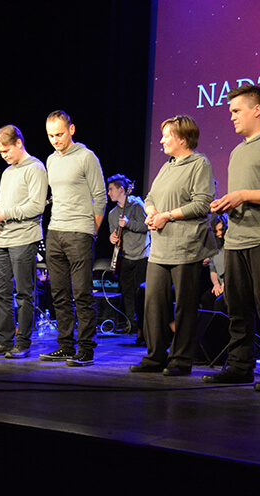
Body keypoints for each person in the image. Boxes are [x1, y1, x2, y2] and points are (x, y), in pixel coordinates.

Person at [202, 84, 260, 390]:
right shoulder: (237, 151)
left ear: (257, 110)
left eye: (236, 110)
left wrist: (243, 195)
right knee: (237, 308)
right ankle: (240, 366)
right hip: (236, 240)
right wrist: (227, 203)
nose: (231, 116)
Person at [129, 115, 216, 376]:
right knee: (153, 302)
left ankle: (180, 360)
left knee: (185, 306)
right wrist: (152, 211)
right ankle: (155, 356)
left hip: (186, 246)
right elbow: (150, 196)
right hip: (160, 247)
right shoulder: (167, 166)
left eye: (167, 135)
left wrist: (167, 216)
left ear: (183, 138)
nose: (162, 140)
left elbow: (202, 204)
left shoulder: (199, 164)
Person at [38, 111, 106, 367]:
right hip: (55, 231)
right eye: (50, 135)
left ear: (72, 130)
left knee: (82, 293)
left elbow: (100, 196)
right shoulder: (51, 160)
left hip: (79, 232)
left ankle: (86, 348)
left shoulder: (87, 157)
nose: (55, 140)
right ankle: (65, 345)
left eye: (59, 134)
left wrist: (92, 229)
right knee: (59, 293)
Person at [0, 125, 48, 358]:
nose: (4, 156)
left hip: (24, 238)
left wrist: (5, 214)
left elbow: (36, 206)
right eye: (0, 152)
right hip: (2, 239)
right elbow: (2, 201)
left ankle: (23, 343)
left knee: (24, 293)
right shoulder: (7, 172)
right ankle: (3, 341)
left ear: (19, 143)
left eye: (6, 150)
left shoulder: (35, 168)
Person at [106, 173, 149, 341]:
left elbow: (147, 226)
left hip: (142, 255)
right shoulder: (112, 214)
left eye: (111, 189)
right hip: (125, 257)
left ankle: (143, 328)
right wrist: (112, 238)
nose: (109, 193)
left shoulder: (137, 206)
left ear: (121, 189)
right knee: (127, 293)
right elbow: (114, 235)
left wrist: (128, 223)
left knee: (140, 293)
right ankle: (132, 324)